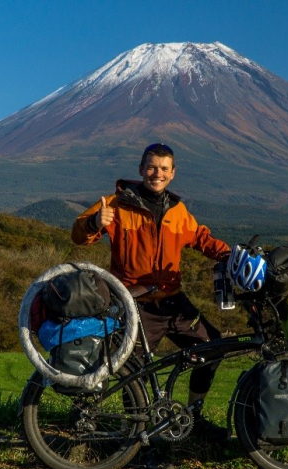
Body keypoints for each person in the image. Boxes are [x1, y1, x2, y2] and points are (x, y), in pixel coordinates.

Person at [71, 142, 230, 440]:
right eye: (152, 167)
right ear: (141, 169)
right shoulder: (117, 204)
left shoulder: (177, 210)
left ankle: (194, 416)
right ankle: (135, 430)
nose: (157, 174)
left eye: (164, 169)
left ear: (173, 173)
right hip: (135, 303)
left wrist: (230, 255)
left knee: (211, 346)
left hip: (173, 302)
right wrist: (94, 222)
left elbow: (200, 238)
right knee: (132, 370)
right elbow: (79, 234)